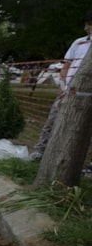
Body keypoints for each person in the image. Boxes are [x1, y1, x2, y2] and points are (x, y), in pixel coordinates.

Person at [31, 11, 92, 160]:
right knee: (53, 119)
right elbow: (66, 65)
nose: (86, 28)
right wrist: (63, 83)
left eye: (89, 24)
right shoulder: (79, 43)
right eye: (86, 24)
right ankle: (40, 151)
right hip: (69, 87)